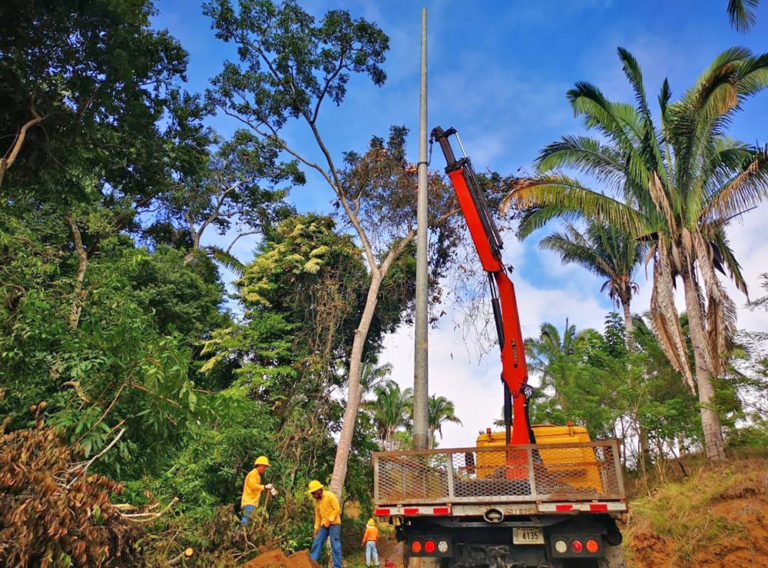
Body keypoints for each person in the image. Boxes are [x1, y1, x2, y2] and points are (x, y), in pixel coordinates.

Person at [308, 480, 342, 568]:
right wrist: (316, 528)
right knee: (317, 541)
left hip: (334, 524)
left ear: (319, 490)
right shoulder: (317, 501)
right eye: (312, 494)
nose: (313, 496)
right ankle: (311, 563)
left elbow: (337, 509)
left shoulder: (329, 495)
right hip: (324, 525)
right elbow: (318, 515)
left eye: (314, 493)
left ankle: (337, 566)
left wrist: (329, 520)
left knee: (335, 545)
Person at [241, 455, 273, 525]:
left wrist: (266, 489)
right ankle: (240, 535)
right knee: (245, 523)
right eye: (264, 466)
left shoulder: (257, 475)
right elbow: (253, 486)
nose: (265, 469)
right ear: (260, 465)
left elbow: (257, 488)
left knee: (250, 524)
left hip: (253, 503)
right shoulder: (252, 474)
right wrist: (264, 487)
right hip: (249, 502)